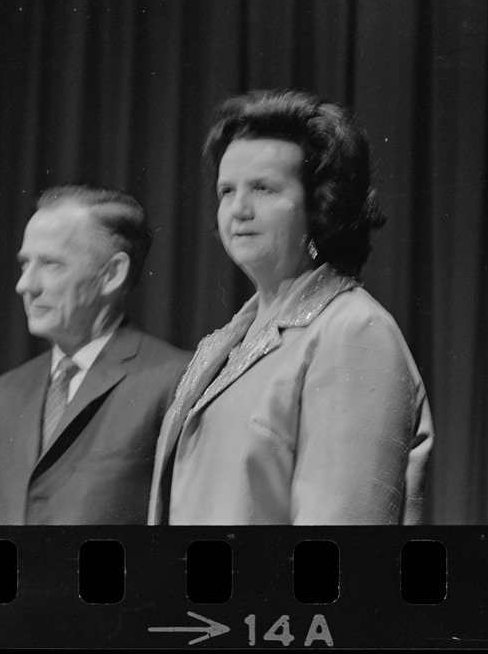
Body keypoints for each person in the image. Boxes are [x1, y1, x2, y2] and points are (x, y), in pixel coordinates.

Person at [149, 90, 434, 525]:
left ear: (321, 205)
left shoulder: (354, 331)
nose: (238, 209)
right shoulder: (223, 342)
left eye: (262, 188)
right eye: (227, 190)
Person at [0, 185, 191, 524]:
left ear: (112, 274)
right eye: (25, 264)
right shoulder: (3, 394)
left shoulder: (175, 378)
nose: (25, 285)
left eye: (50, 264)